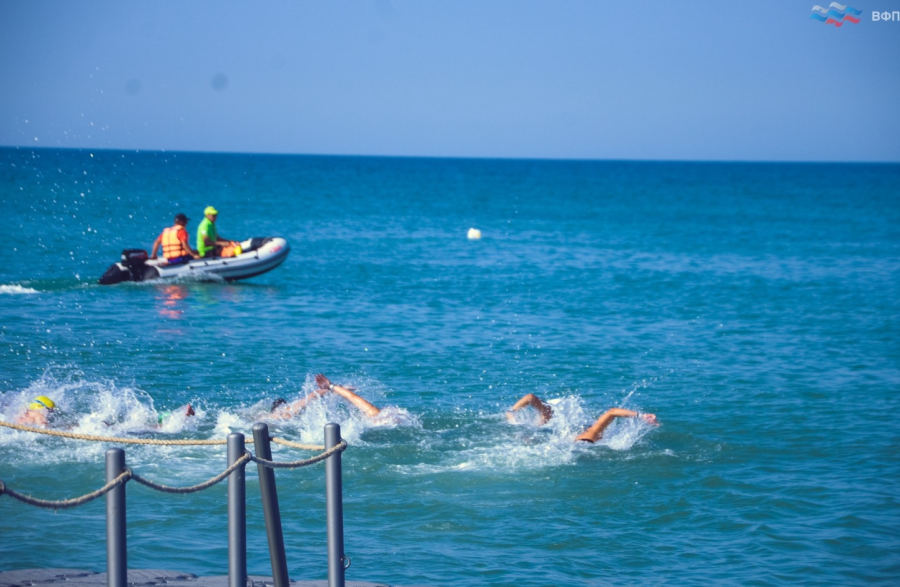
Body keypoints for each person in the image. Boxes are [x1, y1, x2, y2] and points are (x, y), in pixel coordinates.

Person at [506, 393, 658, 443]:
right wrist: (642, 416)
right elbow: (612, 412)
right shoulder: (589, 434)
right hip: (584, 450)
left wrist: (511, 412)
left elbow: (531, 397)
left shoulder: (548, 420)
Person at [270, 374, 381, 420]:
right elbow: (313, 395)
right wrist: (332, 387)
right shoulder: (289, 410)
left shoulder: (272, 415)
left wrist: (333, 387)